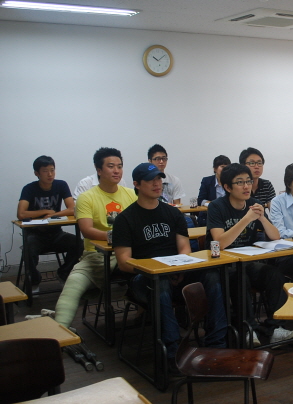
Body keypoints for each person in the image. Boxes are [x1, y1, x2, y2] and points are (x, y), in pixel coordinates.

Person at [113, 163, 227, 371]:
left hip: (176, 272)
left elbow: (184, 249)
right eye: (150, 180)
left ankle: (216, 343)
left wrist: (179, 269)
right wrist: (158, 270)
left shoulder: (173, 214)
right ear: (137, 184)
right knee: (160, 284)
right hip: (144, 279)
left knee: (212, 274)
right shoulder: (125, 219)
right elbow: (124, 262)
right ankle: (173, 351)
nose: (157, 184)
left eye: (159, 179)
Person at [207, 163, 293, 346]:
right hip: (223, 265)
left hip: (247, 261)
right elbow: (220, 242)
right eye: (240, 182)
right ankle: (248, 330)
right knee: (240, 278)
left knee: (274, 275)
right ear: (227, 187)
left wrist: (262, 218)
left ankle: (276, 328)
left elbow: (275, 236)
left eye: (248, 181)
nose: (246, 186)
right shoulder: (217, 207)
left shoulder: (253, 203)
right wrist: (246, 219)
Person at [54, 147, 137, 328]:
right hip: (96, 255)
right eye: (111, 166)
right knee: (72, 286)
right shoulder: (86, 197)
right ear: (99, 170)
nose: (117, 171)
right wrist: (118, 236)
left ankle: (146, 314)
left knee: (151, 273)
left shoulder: (131, 194)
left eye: (120, 166)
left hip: (128, 253)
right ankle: (59, 332)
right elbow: (87, 230)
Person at [17, 155, 81, 285]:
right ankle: (34, 280)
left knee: (79, 244)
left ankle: (63, 273)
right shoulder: (29, 188)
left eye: (52, 170)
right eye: (45, 171)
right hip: (35, 235)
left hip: (57, 234)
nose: (50, 174)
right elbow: (21, 214)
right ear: (37, 173)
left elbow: (72, 209)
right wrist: (45, 212)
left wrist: (54, 215)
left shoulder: (61, 185)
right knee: (28, 250)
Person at [196, 155, 231, 226]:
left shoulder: (231, 182)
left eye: (227, 167)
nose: (225, 170)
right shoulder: (207, 181)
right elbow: (201, 200)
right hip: (209, 214)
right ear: (215, 169)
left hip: (228, 215)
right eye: (222, 167)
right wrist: (215, 205)